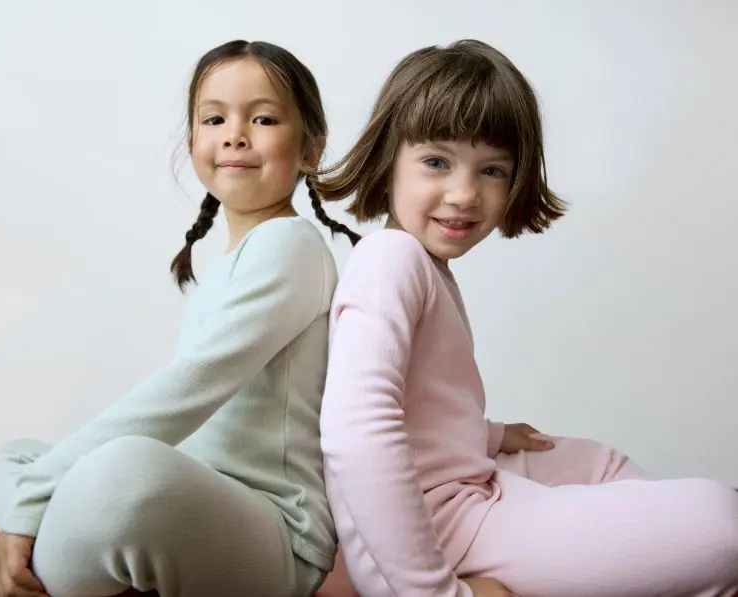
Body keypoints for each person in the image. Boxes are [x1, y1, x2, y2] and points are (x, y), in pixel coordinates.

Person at [313, 39, 738, 597]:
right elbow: (356, 434)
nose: (465, 194)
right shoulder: (389, 260)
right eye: (437, 161)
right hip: (440, 528)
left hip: (461, 489)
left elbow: (420, 407)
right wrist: (429, 591)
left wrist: (485, 435)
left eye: (492, 170)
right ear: (387, 159)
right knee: (722, 521)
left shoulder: (418, 262)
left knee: (600, 465)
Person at [0, 39, 359, 597]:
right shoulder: (230, 264)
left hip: (274, 535)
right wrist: (41, 484)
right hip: (199, 501)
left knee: (124, 471)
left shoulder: (290, 245)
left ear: (310, 148)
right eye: (214, 117)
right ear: (193, 136)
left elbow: (186, 391)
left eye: (263, 118)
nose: (235, 134)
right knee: (15, 457)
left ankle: (37, 568)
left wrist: (32, 501)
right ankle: (56, 551)